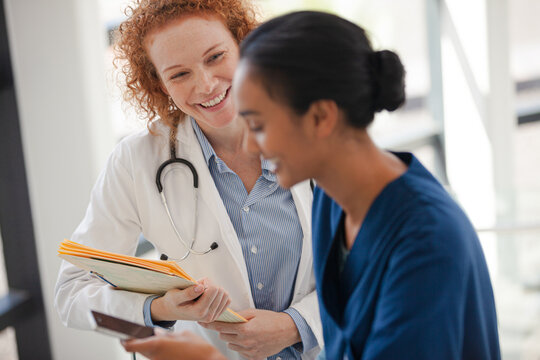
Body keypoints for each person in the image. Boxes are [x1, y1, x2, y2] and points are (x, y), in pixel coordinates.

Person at [124, 9, 501, 360]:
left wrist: (210, 358)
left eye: (259, 123)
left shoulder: (427, 239)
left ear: (320, 117)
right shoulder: (333, 203)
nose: (252, 145)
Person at [54, 1, 322, 359]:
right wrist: (159, 310)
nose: (206, 85)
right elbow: (71, 295)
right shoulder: (137, 161)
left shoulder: (316, 128)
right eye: (179, 74)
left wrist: (296, 326)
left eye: (215, 57)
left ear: (244, 45)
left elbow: (374, 267)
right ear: (160, 85)